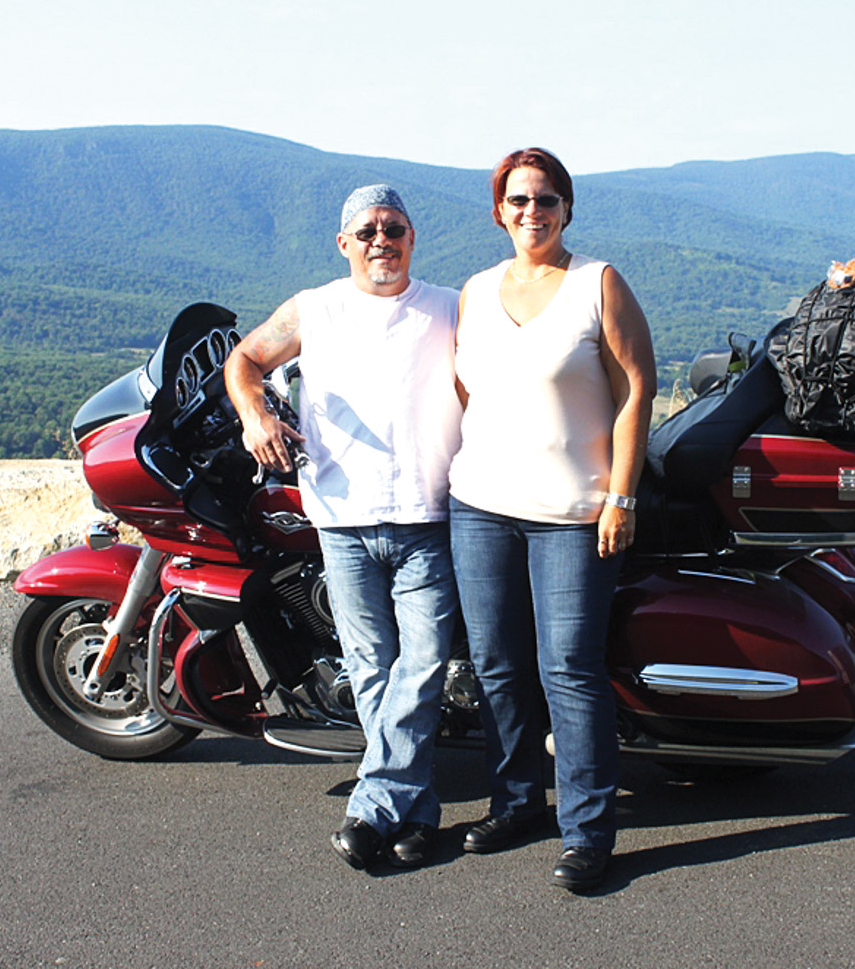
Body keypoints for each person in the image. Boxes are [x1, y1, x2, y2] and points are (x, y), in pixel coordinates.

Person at [223, 184, 462, 872]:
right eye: (367, 231)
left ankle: (372, 807)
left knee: (417, 671)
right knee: (371, 669)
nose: (380, 240)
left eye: (394, 228)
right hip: (342, 519)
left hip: (427, 516)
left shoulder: (448, 308)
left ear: (413, 238)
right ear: (343, 243)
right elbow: (243, 360)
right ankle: (416, 813)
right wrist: (254, 417)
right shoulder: (314, 308)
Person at [448, 148, 657, 892]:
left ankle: (587, 831)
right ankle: (514, 804)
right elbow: (466, 392)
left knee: (568, 671)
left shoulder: (596, 283)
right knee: (497, 667)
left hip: (574, 514)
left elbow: (637, 390)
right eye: (517, 200)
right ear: (497, 211)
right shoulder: (473, 291)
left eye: (545, 199)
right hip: (478, 508)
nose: (531, 212)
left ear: (566, 208)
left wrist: (621, 496)